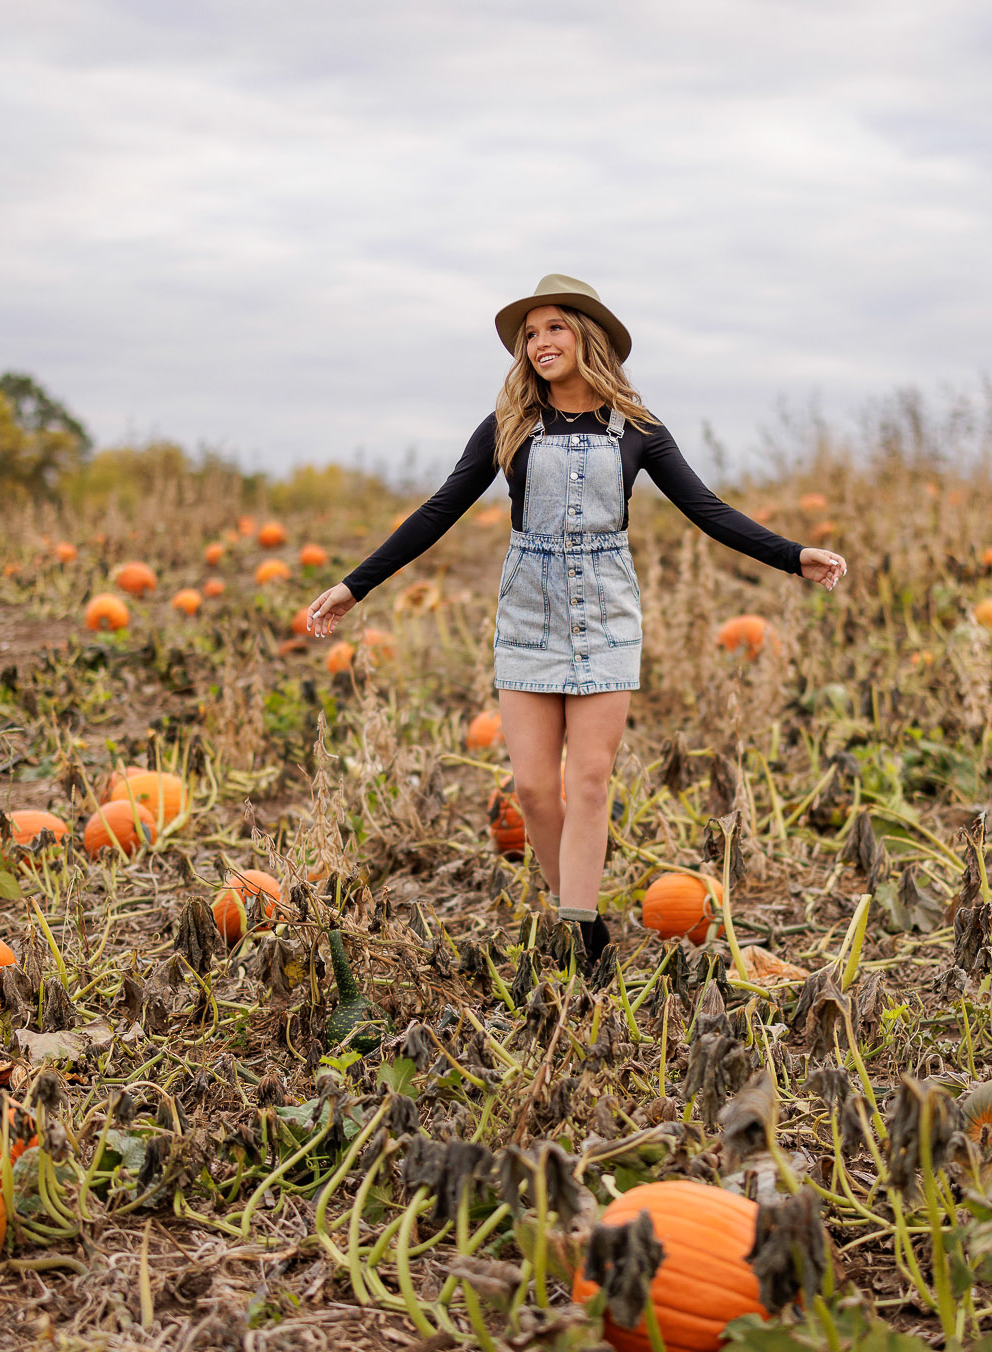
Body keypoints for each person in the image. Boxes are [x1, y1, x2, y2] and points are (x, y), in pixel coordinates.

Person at [303, 274, 844, 959]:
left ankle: (577, 935)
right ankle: (583, 920)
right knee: (533, 789)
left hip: (606, 612)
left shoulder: (638, 430)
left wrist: (794, 555)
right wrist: (356, 585)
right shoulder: (508, 426)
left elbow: (707, 510)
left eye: (554, 327)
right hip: (528, 612)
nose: (539, 343)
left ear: (586, 336)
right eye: (529, 334)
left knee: (588, 781)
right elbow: (440, 509)